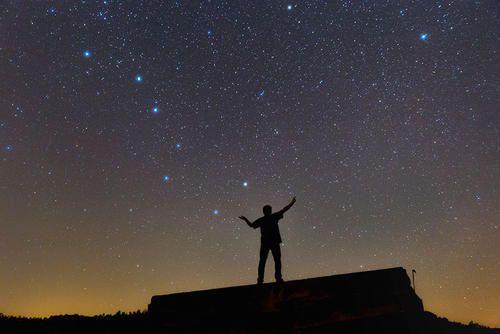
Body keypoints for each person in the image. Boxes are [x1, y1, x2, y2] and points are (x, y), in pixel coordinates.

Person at [239, 197, 296, 284]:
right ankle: (277, 279)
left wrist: (245, 219)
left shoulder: (262, 219)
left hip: (266, 243)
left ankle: (261, 280)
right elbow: (284, 209)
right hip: (273, 242)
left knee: (264, 261)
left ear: (264, 211)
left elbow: (251, 225)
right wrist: (292, 203)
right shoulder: (273, 217)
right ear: (269, 210)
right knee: (274, 260)